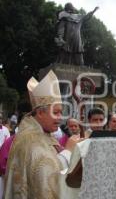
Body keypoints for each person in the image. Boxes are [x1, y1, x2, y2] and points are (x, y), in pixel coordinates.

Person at [4, 70, 81, 199]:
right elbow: (48, 180)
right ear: (40, 113)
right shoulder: (31, 141)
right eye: (56, 112)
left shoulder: (42, 134)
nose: (60, 118)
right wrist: (68, 151)